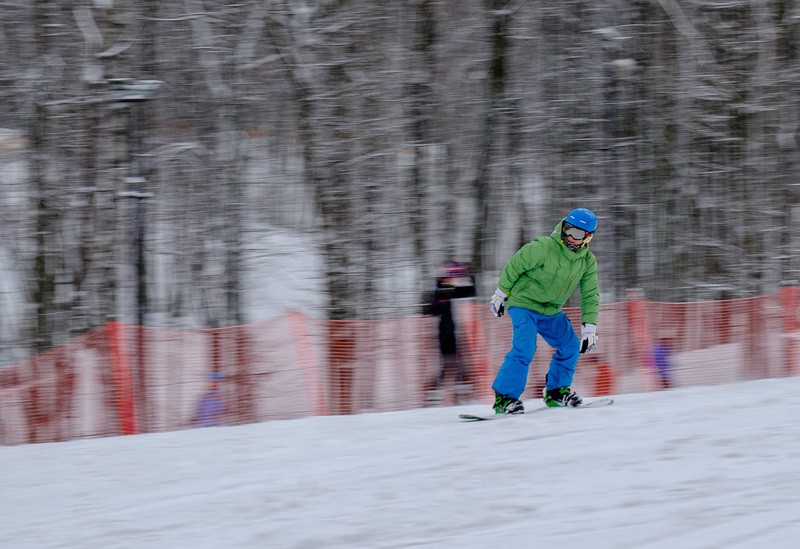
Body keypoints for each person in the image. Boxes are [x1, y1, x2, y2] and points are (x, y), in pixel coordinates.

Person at [489, 208, 600, 413]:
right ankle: (504, 399)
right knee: (525, 347)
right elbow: (514, 266)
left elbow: (590, 294)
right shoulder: (543, 247)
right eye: (567, 229)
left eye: (576, 234)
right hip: (524, 303)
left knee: (570, 346)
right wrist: (501, 293)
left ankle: (557, 391)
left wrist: (589, 328)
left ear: (587, 238)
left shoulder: (587, 262)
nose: (569, 236)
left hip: (551, 310)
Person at [422, 261, 477, 404]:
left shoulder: (450, 289)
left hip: (453, 332)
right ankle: (436, 393)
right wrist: (440, 299)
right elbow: (429, 310)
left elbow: (470, 291)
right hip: (442, 333)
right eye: (448, 277)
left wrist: (469, 274)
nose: (451, 280)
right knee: (449, 363)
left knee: (456, 362)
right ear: (442, 278)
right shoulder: (438, 291)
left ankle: (462, 392)